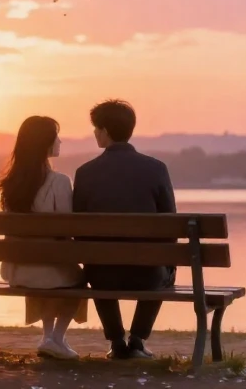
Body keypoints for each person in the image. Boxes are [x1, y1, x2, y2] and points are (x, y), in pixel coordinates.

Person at [72, 99, 177, 360]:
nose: (95, 133)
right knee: (166, 264)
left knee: (96, 262)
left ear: (105, 131)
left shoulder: (85, 173)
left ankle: (117, 340)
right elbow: (170, 226)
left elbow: (78, 230)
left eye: (96, 128)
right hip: (148, 276)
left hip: (102, 276)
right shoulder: (156, 169)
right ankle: (138, 339)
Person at [0, 115, 87, 359]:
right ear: (45, 143)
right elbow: (69, 229)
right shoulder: (59, 182)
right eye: (56, 136)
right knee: (77, 277)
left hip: (18, 271)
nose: (60, 141)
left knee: (48, 269)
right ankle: (56, 337)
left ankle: (49, 338)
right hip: (48, 269)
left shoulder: (11, 184)